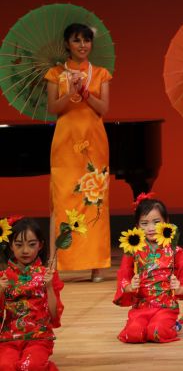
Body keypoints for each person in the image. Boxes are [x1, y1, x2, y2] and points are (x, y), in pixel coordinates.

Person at [45, 23, 112, 281]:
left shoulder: (100, 73)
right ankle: (56, 262)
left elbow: (103, 108)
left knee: (95, 202)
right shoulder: (55, 73)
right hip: (65, 143)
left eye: (86, 40)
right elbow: (54, 107)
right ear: (67, 44)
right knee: (62, 199)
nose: (83, 45)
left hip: (94, 142)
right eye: (77, 40)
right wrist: (70, 92)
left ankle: (96, 265)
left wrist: (85, 93)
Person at [113, 194, 183, 343]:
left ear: (166, 221)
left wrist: (178, 288)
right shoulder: (132, 250)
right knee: (134, 335)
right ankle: (139, 325)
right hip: (141, 307)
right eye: (144, 223)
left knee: (156, 333)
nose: (150, 228)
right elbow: (123, 278)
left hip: (165, 307)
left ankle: (172, 324)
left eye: (156, 222)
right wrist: (130, 286)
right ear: (137, 226)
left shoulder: (176, 251)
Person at [0, 218, 64, 370]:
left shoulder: (47, 275)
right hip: (9, 339)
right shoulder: (4, 277)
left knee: (29, 366)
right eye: (19, 245)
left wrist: (49, 287)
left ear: (40, 245)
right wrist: (0, 290)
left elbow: (54, 315)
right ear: (11, 245)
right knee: (5, 367)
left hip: (39, 338)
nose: (25, 250)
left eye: (32, 244)